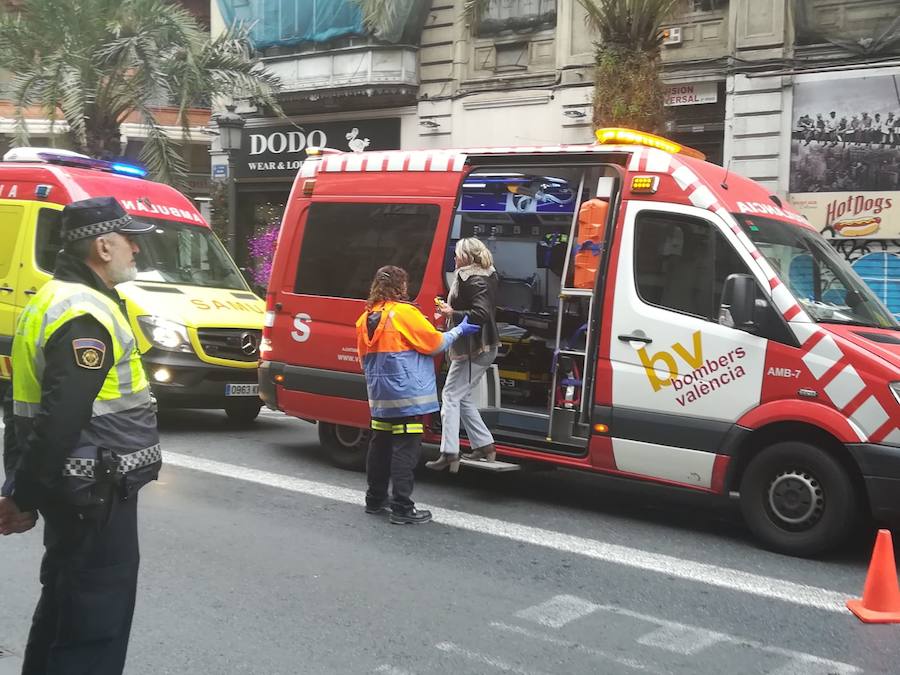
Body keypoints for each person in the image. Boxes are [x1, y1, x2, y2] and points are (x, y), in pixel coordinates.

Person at [0, 197, 162, 675]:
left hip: (81, 489)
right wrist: (22, 495)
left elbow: (18, 407)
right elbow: (60, 417)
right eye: (129, 239)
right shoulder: (84, 312)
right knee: (94, 624)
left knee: (64, 609)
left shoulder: (55, 298)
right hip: (95, 489)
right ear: (102, 245)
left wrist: (22, 488)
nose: (136, 247)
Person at [356, 265, 479, 525]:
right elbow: (433, 343)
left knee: (380, 445)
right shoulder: (403, 313)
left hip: (380, 396)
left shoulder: (366, 317)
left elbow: (364, 358)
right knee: (405, 450)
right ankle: (402, 507)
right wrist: (458, 331)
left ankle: (375, 499)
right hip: (408, 396)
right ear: (400, 286)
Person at [428, 237, 500, 472]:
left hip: (474, 348)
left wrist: (453, 312)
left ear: (467, 257)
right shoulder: (488, 274)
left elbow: (480, 313)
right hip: (484, 346)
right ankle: (484, 445)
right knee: (463, 396)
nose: (455, 258)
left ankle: (449, 452)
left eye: (457, 255)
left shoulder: (471, 278)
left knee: (449, 395)